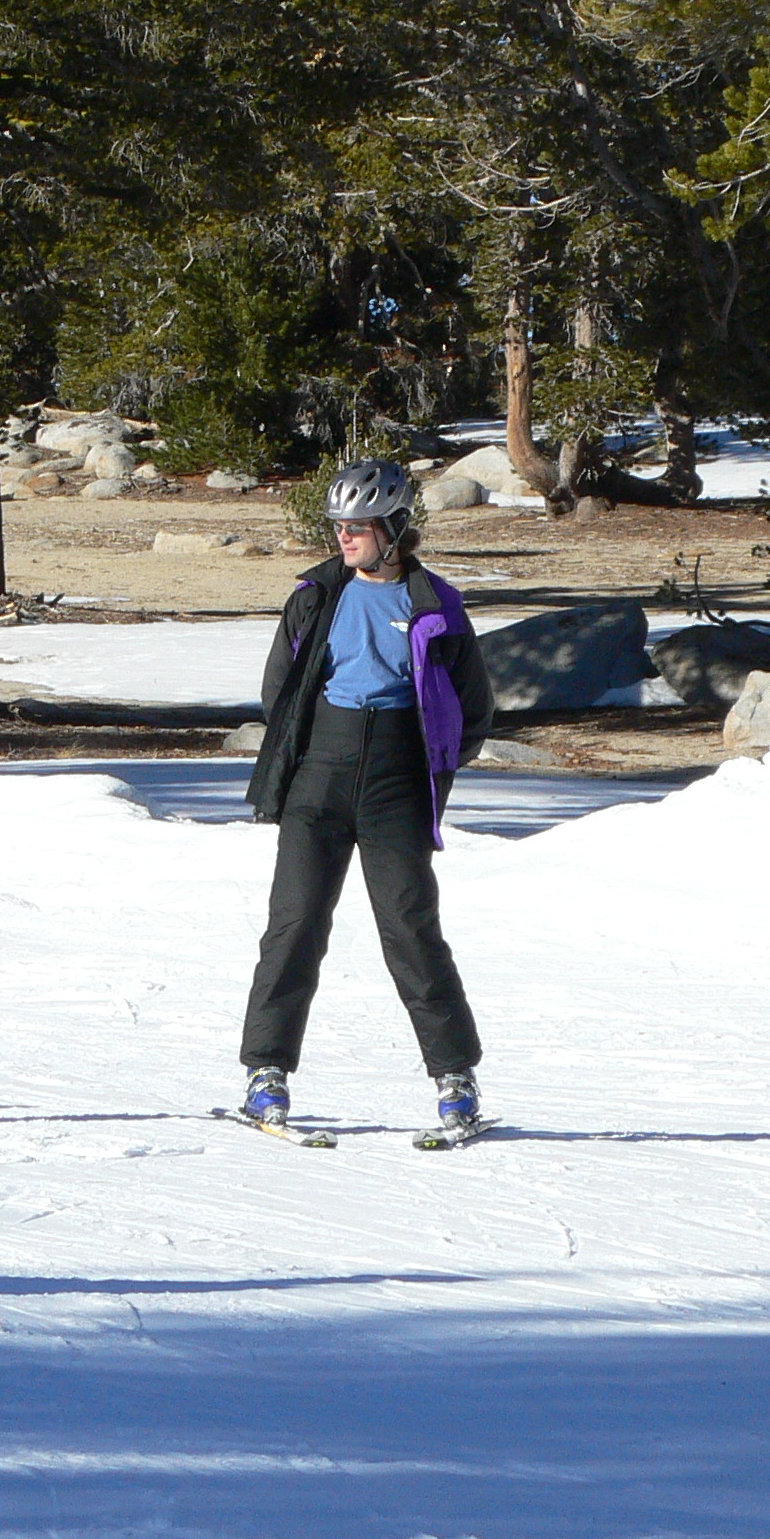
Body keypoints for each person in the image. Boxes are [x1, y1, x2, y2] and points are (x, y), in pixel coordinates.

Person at [235, 459, 496, 1134]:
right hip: (319, 775)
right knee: (294, 924)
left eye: (359, 526)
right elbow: (279, 691)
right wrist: (306, 757)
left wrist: (430, 765)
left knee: (409, 927)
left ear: (395, 529)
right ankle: (265, 1073)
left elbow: (473, 709)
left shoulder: (435, 604)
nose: (344, 536)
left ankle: (455, 1079)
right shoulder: (316, 596)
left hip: (395, 781)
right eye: (339, 526)